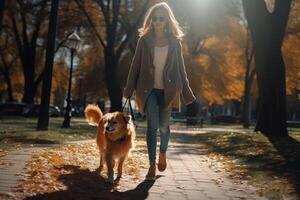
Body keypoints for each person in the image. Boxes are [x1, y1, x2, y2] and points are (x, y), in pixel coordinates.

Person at [123, 2, 196, 181]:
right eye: (155, 18)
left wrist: (187, 93)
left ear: (167, 20)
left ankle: (163, 153)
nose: (158, 21)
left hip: (168, 91)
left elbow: (181, 69)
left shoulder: (175, 43)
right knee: (152, 126)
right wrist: (128, 89)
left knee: (164, 127)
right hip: (148, 90)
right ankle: (151, 165)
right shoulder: (144, 40)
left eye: (161, 18)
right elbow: (135, 67)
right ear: (151, 20)